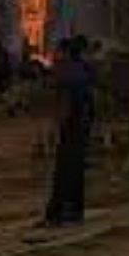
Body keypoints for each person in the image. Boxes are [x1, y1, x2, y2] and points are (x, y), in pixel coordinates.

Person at [43, 34, 96, 226]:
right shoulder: (84, 70)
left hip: (72, 127)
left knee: (64, 170)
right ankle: (74, 212)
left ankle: (58, 214)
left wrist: (55, 128)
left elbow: (64, 104)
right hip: (82, 126)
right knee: (75, 169)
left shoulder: (68, 73)